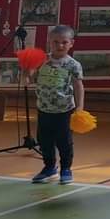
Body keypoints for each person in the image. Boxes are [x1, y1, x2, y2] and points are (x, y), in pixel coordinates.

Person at [28, 25, 84, 185]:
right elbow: (29, 79)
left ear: (71, 43)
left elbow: (78, 86)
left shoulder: (73, 64)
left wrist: (80, 107)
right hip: (44, 109)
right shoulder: (41, 60)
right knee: (44, 141)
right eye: (55, 42)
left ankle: (66, 168)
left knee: (64, 142)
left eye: (64, 42)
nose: (60, 45)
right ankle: (49, 167)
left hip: (64, 110)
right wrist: (27, 69)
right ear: (49, 42)